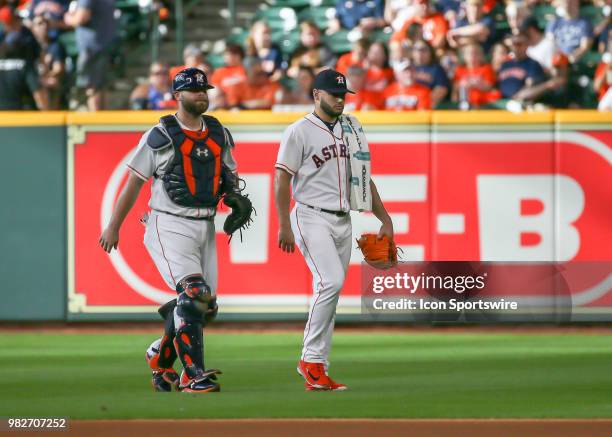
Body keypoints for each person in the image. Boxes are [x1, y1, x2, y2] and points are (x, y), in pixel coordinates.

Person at [99, 68, 243, 393]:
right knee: (194, 294)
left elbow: (229, 174)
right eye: (194, 90)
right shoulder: (162, 134)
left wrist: (235, 199)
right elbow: (134, 181)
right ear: (177, 96)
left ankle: (160, 359)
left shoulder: (219, 132)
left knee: (203, 308)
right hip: (169, 222)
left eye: (204, 89)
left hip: (204, 225)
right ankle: (193, 375)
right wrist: (113, 225)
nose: (202, 95)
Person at [275, 69, 394, 391]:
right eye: (333, 94)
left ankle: (319, 368)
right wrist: (284, 223)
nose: (341, 99)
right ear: (316, 95)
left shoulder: (352, 128)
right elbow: (282, 177)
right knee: (331, 282)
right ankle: (309, 361)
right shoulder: (299, 131)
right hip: (311, 215)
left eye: (343, 95)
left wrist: (385, 219)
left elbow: (364, 177)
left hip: (344, 218)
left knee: (331, 290)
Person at [64, 0, 117, 111]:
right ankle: (101, 122)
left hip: (92, 48)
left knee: (92, 87)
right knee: (100, 87)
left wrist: (68, 18)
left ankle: (96, 122)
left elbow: (82, 18)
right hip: (104, 45)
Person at [0, 5, 46, 110]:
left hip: (27, 75)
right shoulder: (2, 34)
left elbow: (38, 53)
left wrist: (44, 72)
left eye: (16, 20)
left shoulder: (26, 33)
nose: (16, 23)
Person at [29, 12, 66, 109]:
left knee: (52, 82)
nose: (44, 26)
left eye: (46, 23)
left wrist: (45, 77)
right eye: (39, 24)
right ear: (32, 27)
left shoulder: (55, 45)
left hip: (45, 79)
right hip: (30, 79)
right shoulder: (28, 45)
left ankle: (49, 117)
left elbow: (58, 68)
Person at [497, 33, 547, 101]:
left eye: (519, 44)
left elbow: (530, 86)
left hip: (521, 102)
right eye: (513, 44)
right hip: (500, 101)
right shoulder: (505, 64)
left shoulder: (532, 64)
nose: (515, 47)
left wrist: (517, 98)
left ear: (526, 45)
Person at [452, 42, 500, 108]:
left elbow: (489, 86)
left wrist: (472, 84)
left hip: (483, 103)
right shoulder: (459, 70)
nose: (472, 55)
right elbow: (455, 88)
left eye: (476, 53)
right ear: (464, 56)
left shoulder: (486, 68)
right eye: (469, 53)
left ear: (481, 55)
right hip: (464, 102)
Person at [411, 38, 450, 108]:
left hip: (426, 106)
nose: (420, 53)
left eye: (423, 50)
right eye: (416, 49)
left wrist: (423, 103)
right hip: (408, 104)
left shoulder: (437, 69)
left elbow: (441, 90)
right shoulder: (407, 68)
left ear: (430, 52)